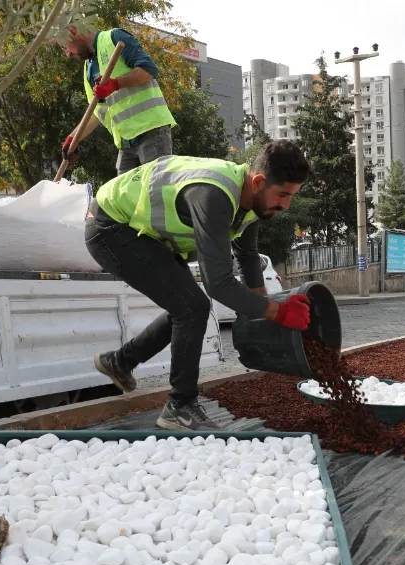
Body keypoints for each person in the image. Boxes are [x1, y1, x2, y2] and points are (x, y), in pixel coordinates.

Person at [84, 140, 313, 431]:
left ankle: (120, 362)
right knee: (191, 306)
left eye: (291, 196)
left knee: (191, 305)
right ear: (258, 181)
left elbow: (247, 255)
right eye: (282, 195)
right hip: (109, 227)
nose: (286, 205)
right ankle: (179, 406)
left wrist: (261, 311)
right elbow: (218, 283)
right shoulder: (214, 195)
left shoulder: (252, 201)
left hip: (144, 236)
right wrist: (278, 313)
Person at [59, 22, 176, 174]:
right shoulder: (88, 69)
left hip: (151, 131)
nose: (67, 54)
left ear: (74, 33)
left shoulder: (114, 37)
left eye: (64, 47)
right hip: (125, 143)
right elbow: (97, 111)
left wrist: (115, 84)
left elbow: (148, 70)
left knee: (156, 192)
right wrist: (73, 138)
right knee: (122, 196)